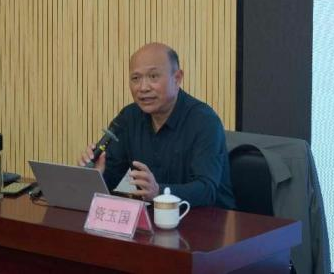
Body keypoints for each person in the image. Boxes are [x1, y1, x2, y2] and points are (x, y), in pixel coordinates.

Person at [78, 43, 235, 209]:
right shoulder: (129, 118)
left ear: (177, 78)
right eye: (135, 78)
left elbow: (206, 190)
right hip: (154, 218)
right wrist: (98, 174)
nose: (143, 88)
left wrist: (159, 192)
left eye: (153, 76)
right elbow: (113, 179)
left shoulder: (204, 121)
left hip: (209, 219)